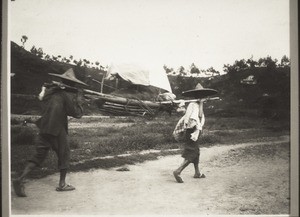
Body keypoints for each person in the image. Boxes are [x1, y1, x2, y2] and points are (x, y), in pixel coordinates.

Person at [13, 68, 88, 197]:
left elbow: (41, 98)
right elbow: (76, 113)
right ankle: (62, 184)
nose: (75, 86)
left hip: (44, 127)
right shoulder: (67, 95)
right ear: (72, 84)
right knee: (64, 154)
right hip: (57, 129)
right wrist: (80, 101)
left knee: (39, 155)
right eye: (74, 84)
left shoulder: (51, 92)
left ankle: (20, 179)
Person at [172, 83, 217, 183]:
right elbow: (199, 117)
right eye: (203, 96)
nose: (204, 98)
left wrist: (200, 103)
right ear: (199, 97)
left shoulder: (195, 104)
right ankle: (178, 171)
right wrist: (201, 103)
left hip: (194, 131)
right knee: (193, 152)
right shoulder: (194, 105)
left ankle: (197, 172)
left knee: (196, 152)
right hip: (192, 131)